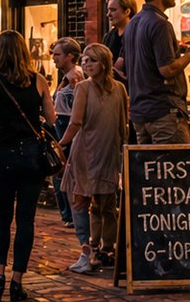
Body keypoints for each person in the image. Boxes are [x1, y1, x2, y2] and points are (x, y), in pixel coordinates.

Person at [0, 30, 56, 302]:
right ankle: (18, 280)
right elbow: (51, 119)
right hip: (31, 157)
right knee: (26, 219)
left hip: (3, 156)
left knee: (2, 218)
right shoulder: (38, 81)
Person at [58, 43, 126, 274]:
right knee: (104, 204)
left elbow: (76, 122)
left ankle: (87, 250)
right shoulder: (118, 88)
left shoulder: (84, 88)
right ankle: (104, 248)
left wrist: (61, 144)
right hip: (108, 151)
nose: (87, 64)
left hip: (87, 151)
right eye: (85, 60)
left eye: (93, 60)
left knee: (81, 200)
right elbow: (122, 127)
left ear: (104, 63)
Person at [124, 0, 190, 143]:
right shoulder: (159, 24)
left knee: (150, 168)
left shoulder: (133, 24)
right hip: (163, 113)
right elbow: (167, 69)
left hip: (141, 113)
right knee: (172, 167)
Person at [49, 37, 83, 227]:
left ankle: (70, 215)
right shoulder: (65, 76)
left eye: (58, 54)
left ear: (70, 56)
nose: (54, 58)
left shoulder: (75, 76)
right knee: (59, 170)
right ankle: (67, 214)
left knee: (63, 170)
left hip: (67, 123)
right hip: (61, 122)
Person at [101, 0, 135, 80]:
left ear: (127, 12)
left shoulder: (137, 35)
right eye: (108, 10)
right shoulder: (108, 37)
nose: (108, 14)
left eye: (113, 10)